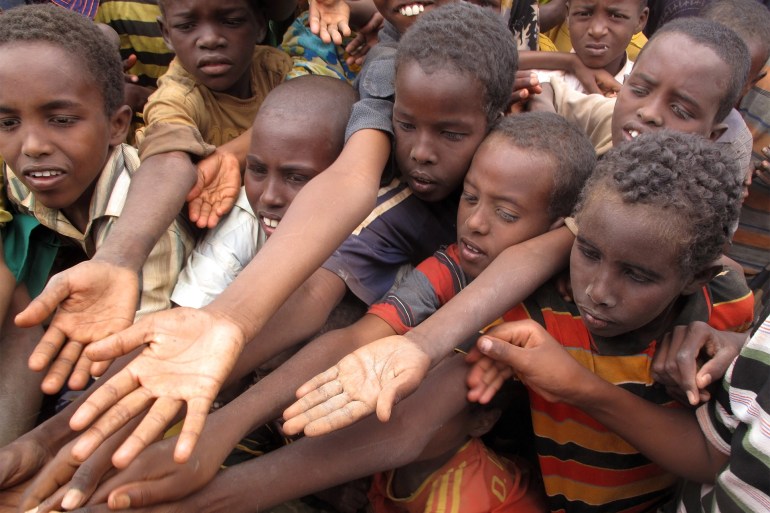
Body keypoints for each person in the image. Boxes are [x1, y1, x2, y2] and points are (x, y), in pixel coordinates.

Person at [47, 112, 591, 512]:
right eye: (471, 199)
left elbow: (425, 412)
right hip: (410, 466)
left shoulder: (564, 292)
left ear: (556, 225)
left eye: (506, 212)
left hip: (492, 475)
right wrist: (221, 429)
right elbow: (360, 337)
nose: (474, 222)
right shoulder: (454, 261)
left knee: (448, 379)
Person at [280, 15, 754, 438]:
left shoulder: (709, 282)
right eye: (587, 251)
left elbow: (711, 445)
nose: (651, 112)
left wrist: (729, 344)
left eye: (683, 109)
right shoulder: (484, 269)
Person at [462, 130, 753, 511]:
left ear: (696, 277)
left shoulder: (725, 303)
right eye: (587, 252)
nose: (598, 292)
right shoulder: (537, 310)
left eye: (637, 275)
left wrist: (734, 353)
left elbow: (720, 447)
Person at [170, 75, 358, 308]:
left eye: (296, 178)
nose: (269, 196)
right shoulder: (244, 220)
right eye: (257, 170)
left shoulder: (376, 227)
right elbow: (188, 317)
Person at [534, 0, 649, 95]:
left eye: (616, 16)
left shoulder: (646, 95)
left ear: (640, 20)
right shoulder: (537, 82)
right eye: (585, 14)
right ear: (567, 15)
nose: (597, 31)